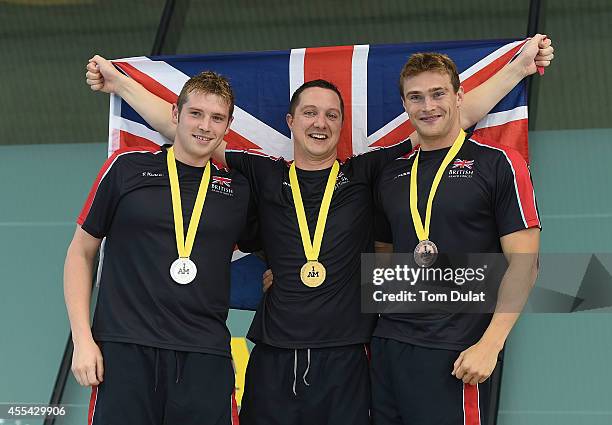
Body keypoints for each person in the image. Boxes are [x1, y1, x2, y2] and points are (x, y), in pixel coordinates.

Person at [83, 35, 552, 425]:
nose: (320, 123)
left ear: (342, 126)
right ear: (290, 122)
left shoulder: (367, 174)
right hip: (270, 354)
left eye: (331, 114)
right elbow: (184, 130)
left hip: (349, 357)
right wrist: (121, 85)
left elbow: (446, 121)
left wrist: (516, 71)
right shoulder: (261, 174)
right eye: (309, 112)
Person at [64, 71, 254, 425]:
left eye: (216, 118)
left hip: (203, 357)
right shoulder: (126, 167)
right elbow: (81, 252)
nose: (205, 126)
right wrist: (82, 339)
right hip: (124, 350)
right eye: (195, 114)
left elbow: (281, 241)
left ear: (228, 126)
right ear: (175, 115)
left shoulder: (239, 189)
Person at [371, 52, 541, 425]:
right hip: (388, 352)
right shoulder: (390, 173)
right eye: (416, 97)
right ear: (404, 105)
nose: (428, 106)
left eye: (438, 94)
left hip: (458, 354)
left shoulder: (499, 163)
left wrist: (490, 345)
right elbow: (382, 256)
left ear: (460, 97)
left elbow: (525, 263)